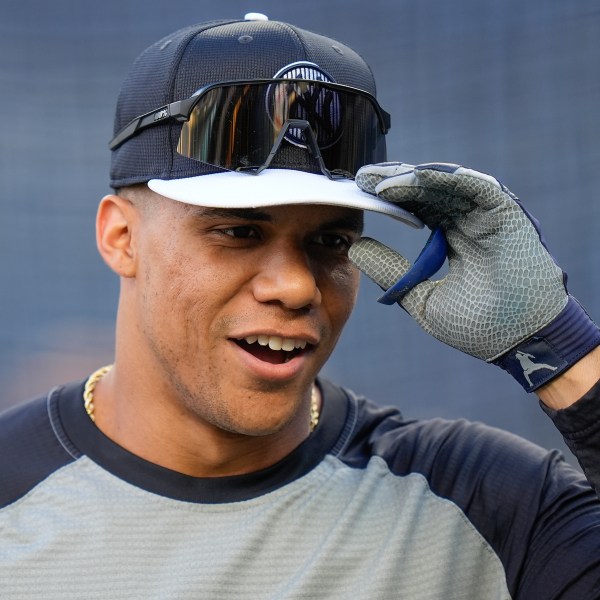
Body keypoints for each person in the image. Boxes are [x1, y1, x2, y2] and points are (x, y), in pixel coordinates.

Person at [1, 14, 600, 599]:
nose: (297, 287)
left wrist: (561, 350)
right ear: (121, 238)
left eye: (331, 241)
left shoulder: (485, 501)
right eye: (238, 232)